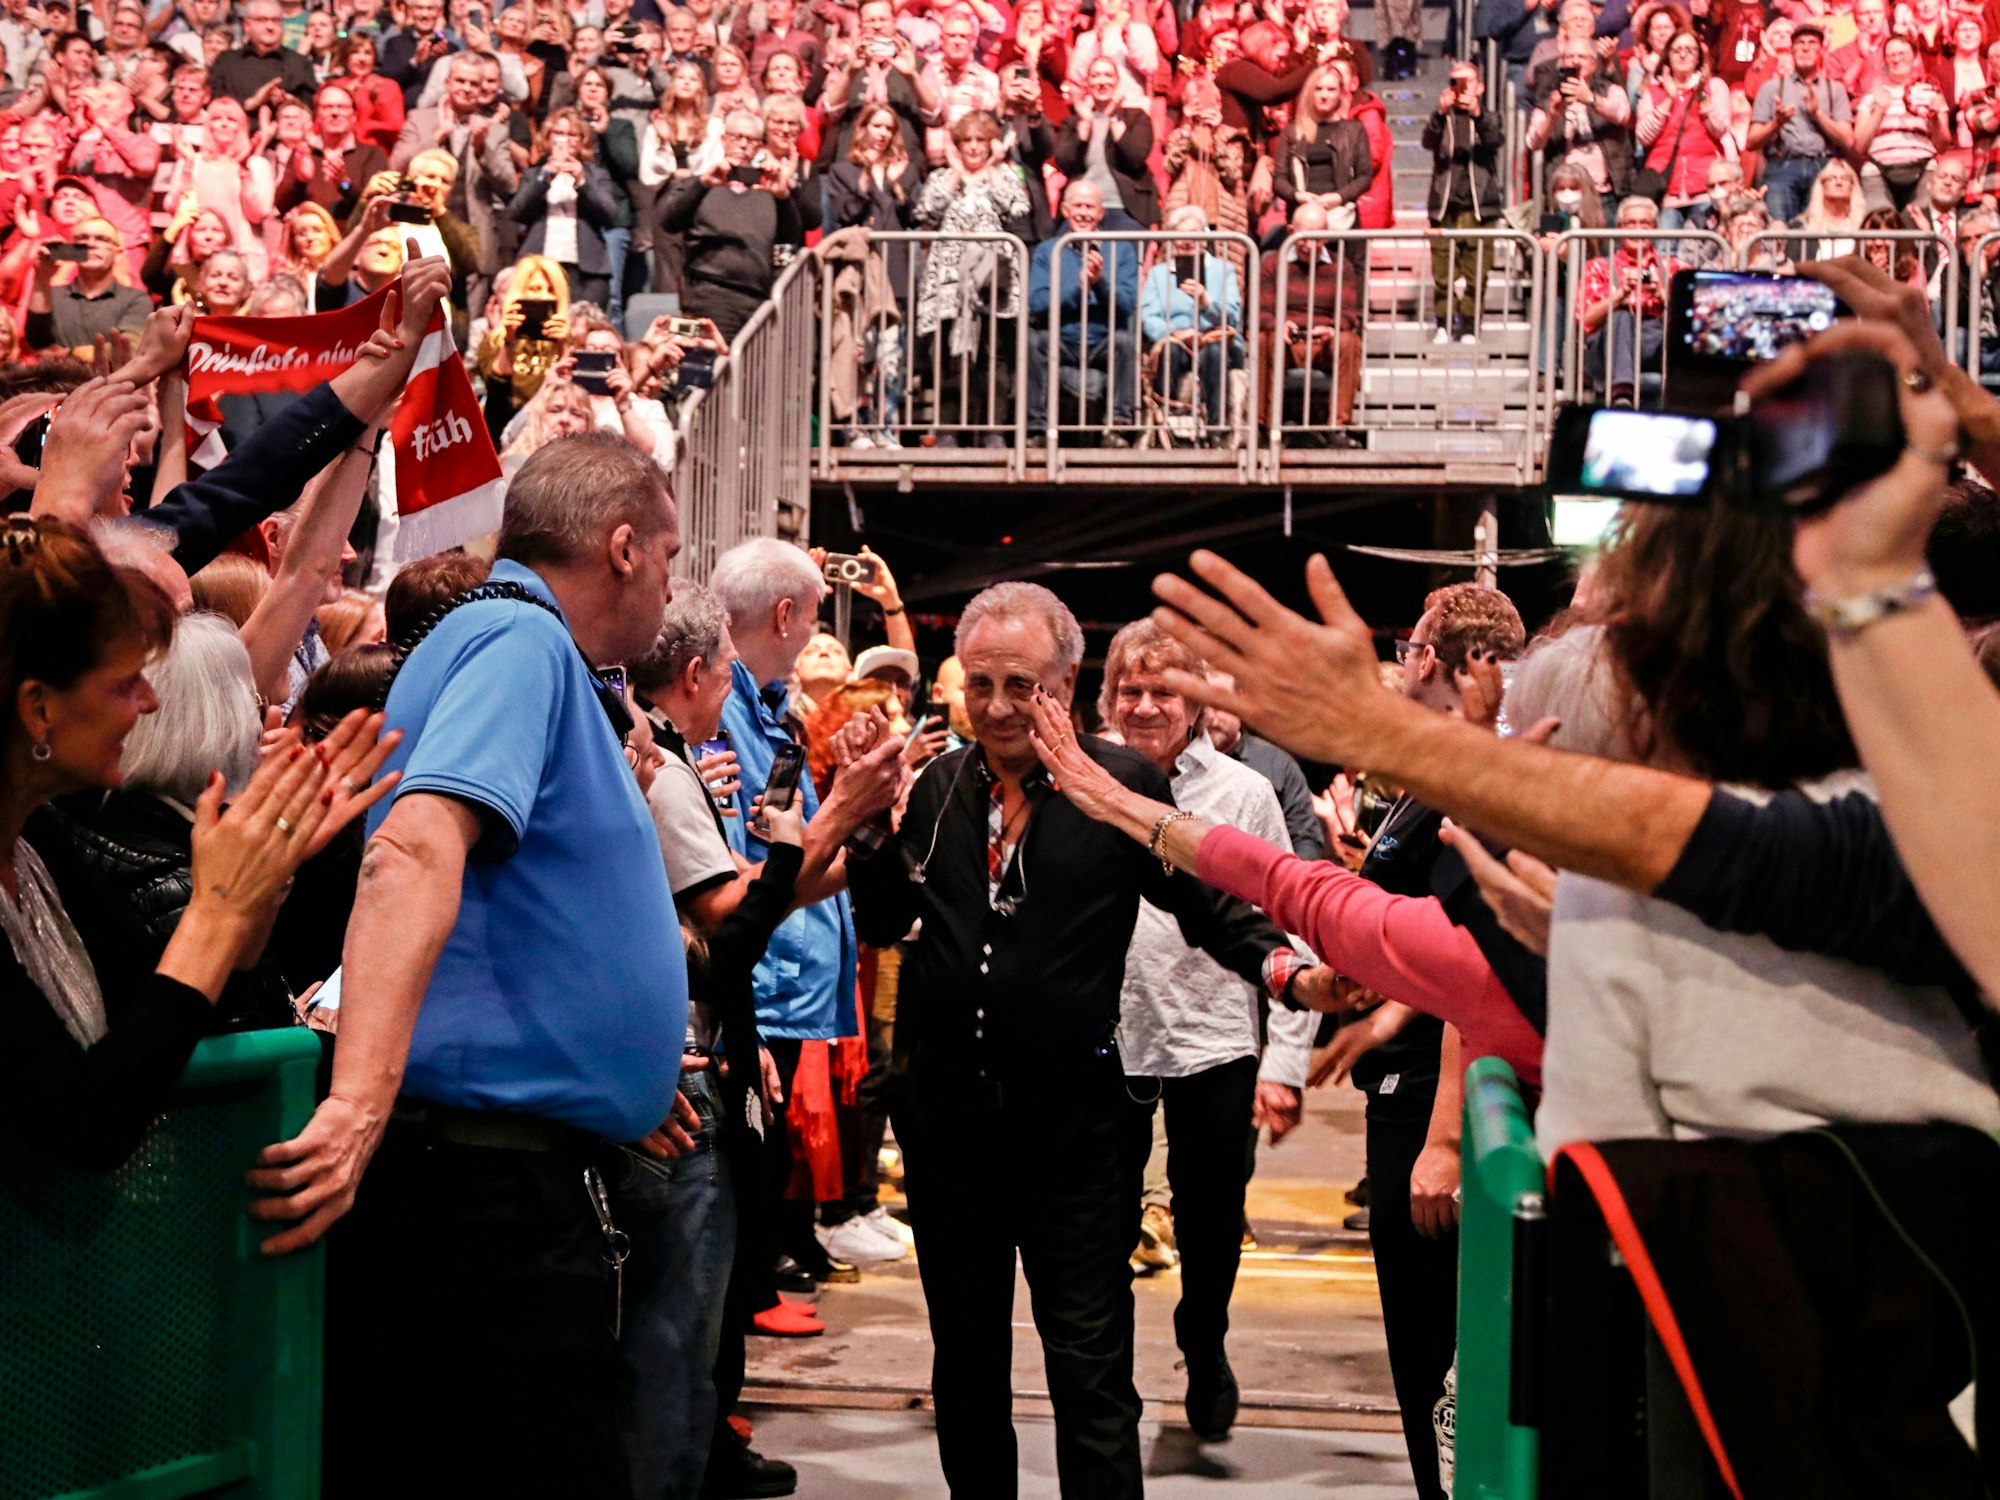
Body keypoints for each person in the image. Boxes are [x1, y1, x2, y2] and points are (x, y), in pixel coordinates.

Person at [251, 432, 687, 1499]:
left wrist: (608, 1076)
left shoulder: (504, 637)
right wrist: (356, 1101)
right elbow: (415, 845)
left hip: (498, 1175)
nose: (673, 588)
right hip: (485, 1200)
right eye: (672, 559)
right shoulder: (517, 641)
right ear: (623, 547)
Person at [839, 581, 1330, 1500]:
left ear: (1065, 683)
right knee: (968, 1369)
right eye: (977, 684)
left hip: (1075, 1141)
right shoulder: (940, 787)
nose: (994, 707)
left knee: (1092, 1377)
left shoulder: (1120, 788)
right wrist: (865, 826)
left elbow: (1209, 907)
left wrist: (1286, 974)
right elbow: (887, 919)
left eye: (1019, 685)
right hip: (949, 1138)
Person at [0, 517, 395, 1171]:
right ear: (39, 708)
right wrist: (214, 910)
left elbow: (172, 1003)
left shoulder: (34, 832)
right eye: (127, 682)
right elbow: (84, 1124)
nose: (151, 703)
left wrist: (267, 873)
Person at [1093, 618, 1321, 1442]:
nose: (1147, 705)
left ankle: (1206, 1336)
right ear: (1108, 694)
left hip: (1213, 1032)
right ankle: (1104, 1374)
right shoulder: (1083, 779)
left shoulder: (1243, 793)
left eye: (1165, 691)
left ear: (1195, 703)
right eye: (1132, 689)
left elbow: (1283, 927)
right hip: (1106, 1030)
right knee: (1102, 1221)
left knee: (1211, 1217)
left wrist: (1286, 1061)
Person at [911, 110, 1028, 446]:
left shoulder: (1004, 175)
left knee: (994, 355)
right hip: (949, 279)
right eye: (967, 141)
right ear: (957, 146)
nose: (974, 147)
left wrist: (992, 167)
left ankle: (992, 431)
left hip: (993, 279)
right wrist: (957, 174)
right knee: (950, 353)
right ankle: (949, 430)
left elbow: (1018, 207)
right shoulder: (943, 177)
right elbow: (926, 211)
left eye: (981, 140)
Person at [659, 107, 816, 341]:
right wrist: (703, 184)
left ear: (760, 146)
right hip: (709, 296)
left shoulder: (768, 192)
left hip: (758, 299)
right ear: (723, 140)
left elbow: (788, 239)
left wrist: (784, 196)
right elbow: (669, 221)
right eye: (737, 137)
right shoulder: (700, 184)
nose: (744, 145)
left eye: (751, 140)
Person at [1027, 178, 1140, 443]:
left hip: (1102, 340)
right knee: (1033, 342)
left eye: (1090, 207)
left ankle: (1118, 427)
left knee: (1125, 341)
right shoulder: (1048, 250)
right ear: (1065, 210)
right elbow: (1037, 303)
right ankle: (1036, 429)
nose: (1084, 213)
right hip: (1062, 339)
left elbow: (1125, 305)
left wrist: (1099, 284)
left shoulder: (1121, 250)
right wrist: (1079, 290)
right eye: (1077, 206)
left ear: (1101, 213)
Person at [1139, 205, 1244, 439]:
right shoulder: (1159, 273)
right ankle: (1169, 426)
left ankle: (1217, 427)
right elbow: (1149, 317)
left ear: (1205, 237)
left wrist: (1206, 301)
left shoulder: (1223, 270)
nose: (1187, 242)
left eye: (1194, 235)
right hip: (1176, 342)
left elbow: (1234, 317)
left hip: (1214, 340)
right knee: (1171, 351)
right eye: (1181, 236)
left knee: (1214, 353)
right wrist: (1176, 333)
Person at [510, 107, 622, 305]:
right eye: (559, 133)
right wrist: (544, 178)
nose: (566, 139)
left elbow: (611, 215)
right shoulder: (534, 174)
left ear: (582, 140)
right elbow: (517, 211)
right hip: (540, 266)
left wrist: (582, 180)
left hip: (588, 270)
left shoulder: (597, 174)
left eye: (573, 134)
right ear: (548, 137)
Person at [1424, 60, 1502, 344]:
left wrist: (1477, 114)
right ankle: (1443, 323)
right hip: (1444, 205)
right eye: (1455, 82)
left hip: (1480, 206)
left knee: (1476, 271)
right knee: (1442, 271)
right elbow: (1428, 142)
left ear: (1479, 87)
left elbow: (1495, 139)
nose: (1461, 88)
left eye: (1467, 82)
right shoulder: (1442, 117)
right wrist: (1439, 113)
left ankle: (1469, 324)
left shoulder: (1489, 117)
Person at [1747, 22, 1854, 225]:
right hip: (1782, 166)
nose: (1805, 47)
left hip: (1823, 166)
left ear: (1821, 50)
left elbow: (1848, 140)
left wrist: (1817, 114)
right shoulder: (1771, 88)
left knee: (1818, 232)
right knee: (1779, 232)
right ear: (1791, 49)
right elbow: (1752, 141)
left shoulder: (1835, 89)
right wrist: (1776, 123)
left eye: (1812, 43)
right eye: (1800, 43)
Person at [1578, 194, 1680, 405]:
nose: (1637, 229)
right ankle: (1622, 393)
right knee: (1622, 315)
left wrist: (1663, 296)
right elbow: (1586, 319)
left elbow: (1692, 318)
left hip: (1656, 340)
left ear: (1655, 228)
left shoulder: (1675, 267)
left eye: (1645, 223)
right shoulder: (1599, 266)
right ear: (1619, 228)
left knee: (1674, 323)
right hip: (1609, 345)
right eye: (1631, 223)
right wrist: (1618, 296)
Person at [1634, 30, 1733, 231]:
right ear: (1667, 56)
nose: (1683, 55)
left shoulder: (1715, 86)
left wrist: (1703, 95)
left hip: (1707, 189)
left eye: (1690, 50)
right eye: (1677, 50)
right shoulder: (1653, 92)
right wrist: (1669, 99)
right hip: (1667, 191)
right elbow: (1643, 136)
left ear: (1698, 56)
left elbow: (1721, 128)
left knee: (1703, 253)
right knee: (1665, 253)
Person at [1051, 54, 1156, 231]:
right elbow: (1064, 163)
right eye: (1095, 75)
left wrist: (1114, 116)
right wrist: (1084, 127)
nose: (1102, 81)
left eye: (1108, 75)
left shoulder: (1136, 117)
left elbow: (1134, 157)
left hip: (1125, 208)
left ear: (1117, 82)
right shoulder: (1073, 122)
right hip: (1080, 211)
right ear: (1087, 84)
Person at [26, 217, 150, 357]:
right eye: (82, 238)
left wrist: (70, 354)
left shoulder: (135, 299)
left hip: (110, 378)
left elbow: (129, 348)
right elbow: (36, 342)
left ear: (118, 254)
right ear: (71, 249)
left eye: (102, 239)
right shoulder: (51, 295)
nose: (91, 244)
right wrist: (41, 278)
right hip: (59, 378)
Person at [1856, 34, 1952, 210]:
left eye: (1902, 53)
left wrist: (1936, 116)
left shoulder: (1931, 93)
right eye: (1891, 55)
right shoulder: (1872, 96)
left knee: (1919, 226)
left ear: (1915, 58)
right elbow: (1860, 146)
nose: (1897, 59)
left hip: (1923, 168)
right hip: (1879, 170)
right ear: (1885, 61)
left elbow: (1942, 145)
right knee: (1882, 228)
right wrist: (1879, 110)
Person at [208, 0, 318, 106]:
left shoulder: (299, 63)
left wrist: (290, 102)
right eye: (262, 20)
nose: (270, 27)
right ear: (247, 25)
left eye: (276, 20)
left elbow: (312, 104)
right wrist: (252, 102)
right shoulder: (226, 61)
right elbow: (215, 101)